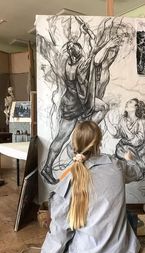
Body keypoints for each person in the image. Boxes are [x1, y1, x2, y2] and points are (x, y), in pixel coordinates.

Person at [17, 121, 142, 253]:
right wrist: (129, 159)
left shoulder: (69, 180)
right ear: (100, 142)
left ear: (72, 144)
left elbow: (59, 231)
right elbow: (136, 171)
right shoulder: (116, 165)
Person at [41, 36, 121, 185]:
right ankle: (47, 167)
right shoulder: (82, 64)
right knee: (61, 137)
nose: (81, 51)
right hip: (75, 104)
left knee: (103, 107)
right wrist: (108, 43)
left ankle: (83, 128)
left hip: (72, 101)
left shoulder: (69, 63)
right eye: (78, 49)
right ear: (76, 51)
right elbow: (95, 60)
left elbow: (92, 56)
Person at [105, 98, 145, 181]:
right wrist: (107, 120)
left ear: (136, 107)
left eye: (130, 102)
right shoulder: (122, 120)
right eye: (128, 101)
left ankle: (138, 168)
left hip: (139, 151)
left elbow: (137, 141)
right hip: (122, 149)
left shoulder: (142, 122)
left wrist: (126, 129)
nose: (127, 102)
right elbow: (116, 134)